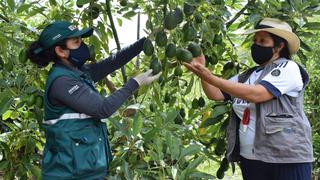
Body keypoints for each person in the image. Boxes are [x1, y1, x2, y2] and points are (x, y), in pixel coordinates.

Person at [26, 21, 160, 179]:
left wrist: (147, 40)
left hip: (85, 172)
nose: (83, 46)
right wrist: (135, 82)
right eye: (76, 42)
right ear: (61, 51)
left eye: (81, 40)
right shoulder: (62, 81)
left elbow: (114, 61)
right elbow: (102, 109)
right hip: (68, 175)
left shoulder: (79, 72)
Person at [184, 18, 313, 180]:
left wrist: (210, 77)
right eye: (255, 40)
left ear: (279, 46)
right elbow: (216, 93)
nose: (256, 45)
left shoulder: (288, 68)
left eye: (263, 41)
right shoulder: (249, 75)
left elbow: (257, 94)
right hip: (252, 160)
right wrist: (201, 71)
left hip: (285, 159)